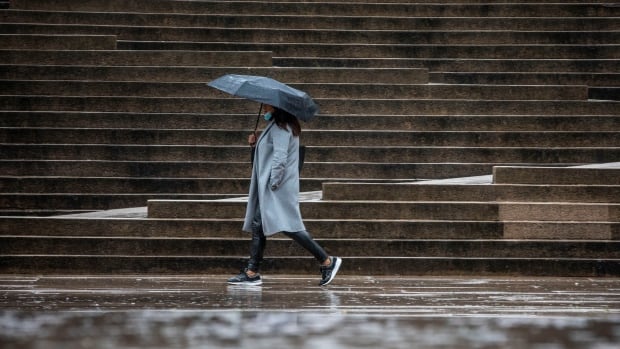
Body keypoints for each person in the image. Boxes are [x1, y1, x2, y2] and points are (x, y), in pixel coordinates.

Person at [227, 104, 342, 286]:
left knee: (289, 226)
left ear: (277, 107)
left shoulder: (282, 127)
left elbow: (280, 158)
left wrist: (273, 184)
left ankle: (327, 261)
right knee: (260, 224)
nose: (264, 108)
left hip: (277, 187)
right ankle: (252, 271)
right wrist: (254, 146)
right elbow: (269, 155)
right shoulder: (277, 125)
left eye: (267, 106)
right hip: (277, 186)